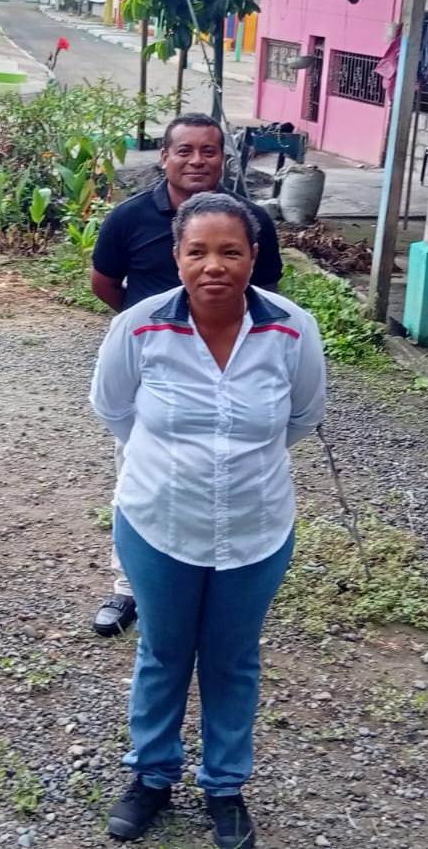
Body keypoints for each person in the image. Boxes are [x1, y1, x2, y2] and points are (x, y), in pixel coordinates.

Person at [90, 191, 326, 848]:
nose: (213, 265)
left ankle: (224, 787)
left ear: (254, 256)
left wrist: (236, 465)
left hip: (255, 528)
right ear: (177, 257)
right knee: (163, 652)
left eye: (230, 251)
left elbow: (303, 415)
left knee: (231, 660)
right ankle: (151, 776)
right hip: (157, 521)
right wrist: (179, 467)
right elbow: (113, 409)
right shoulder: (138, 327)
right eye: (197, 251)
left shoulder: (292, 328)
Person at [87, 112, 284, 639]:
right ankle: (129, 587)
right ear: (165, 158)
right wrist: (150, 331)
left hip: (231, 368)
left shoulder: (250, 221)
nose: (197, 161)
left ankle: (218, 576)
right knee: (136, 477)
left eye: (209, 151)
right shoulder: (128, 219)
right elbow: (104, 282)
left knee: (230, 472)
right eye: (185, 151)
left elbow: (266, 294)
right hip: (155, 374)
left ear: (224, 159)